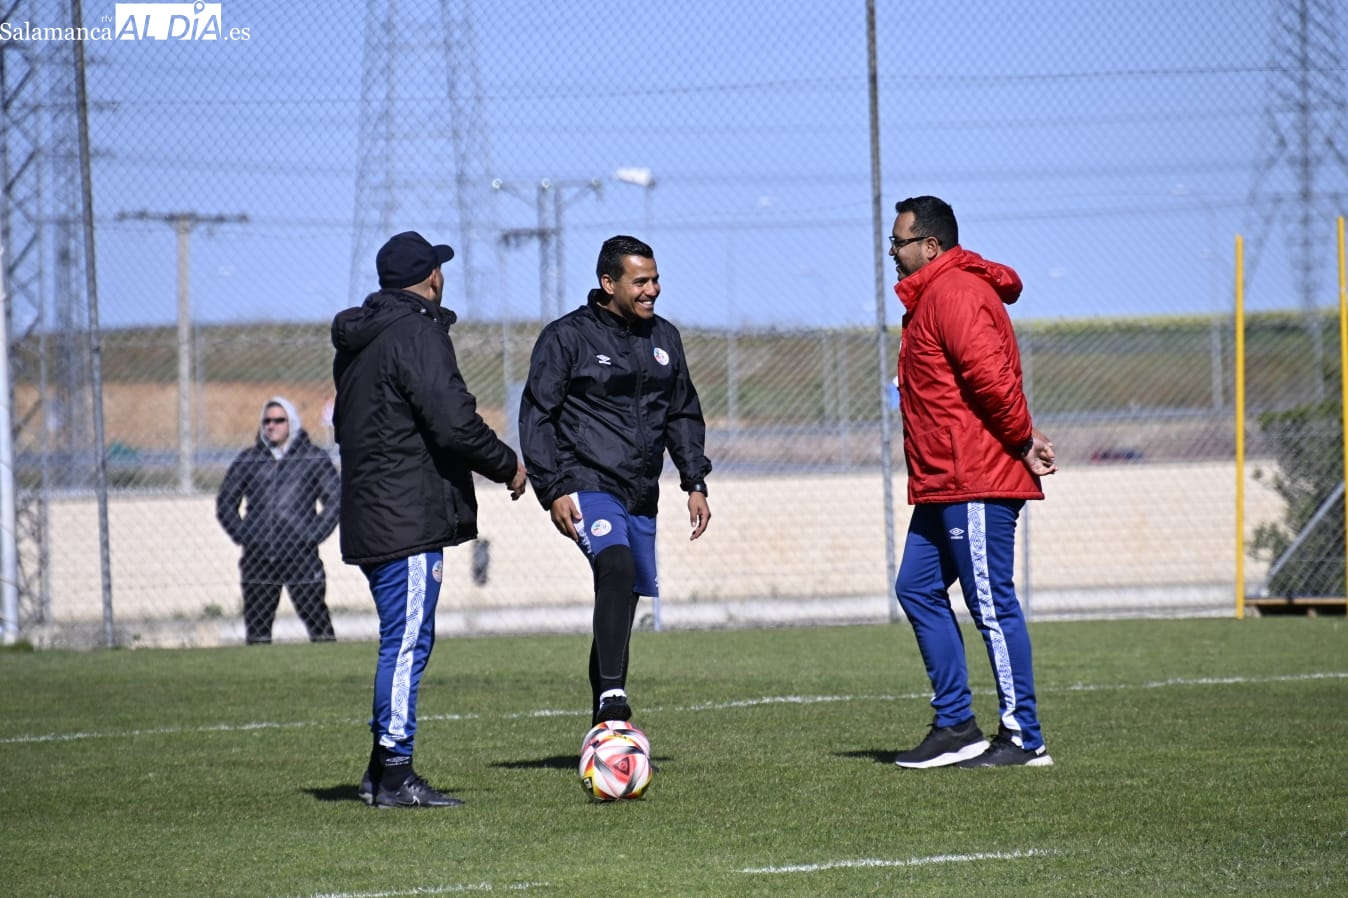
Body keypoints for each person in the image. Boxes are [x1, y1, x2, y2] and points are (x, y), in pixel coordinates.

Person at [332, 230, 528, 809]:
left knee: (403, 636)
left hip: (374, 509)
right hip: (406, 514)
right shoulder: (418, 332)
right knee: (408, 640)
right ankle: (395, 771)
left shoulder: (364, 339)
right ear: (432, 278)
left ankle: (377, 770)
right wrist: (508, 464)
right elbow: (453, 421)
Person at [888, 196, 1058, 769]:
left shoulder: (955, 292)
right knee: (915, 587)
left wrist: (1023, 442)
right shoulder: (931, 296)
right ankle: (957, 726)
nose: (892, 252)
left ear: (929, 245)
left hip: (976, 477)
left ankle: (1024, 738)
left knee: (990, 602)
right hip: (942, 480)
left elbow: (992, 381)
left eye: (899, 242)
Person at [519, 235, 712, 728]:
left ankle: (604, 727)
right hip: (586, 482)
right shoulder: (567, 338)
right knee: (617, 566)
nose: (653, 290)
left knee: (621, 602)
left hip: (640, 492)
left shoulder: (664, 338)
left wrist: (694, 481)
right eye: (640, 281)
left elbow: (682, 413)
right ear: (608, 283)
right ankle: (613, 698)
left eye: (655, 279)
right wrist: (554, 488)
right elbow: (538, 416)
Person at [215, 396, 340, 645]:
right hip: (259, 557)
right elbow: (226, 503)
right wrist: (245, 535)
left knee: (320, 628)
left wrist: (310, 536)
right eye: (267, 421)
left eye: (279, 420)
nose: (271, 426)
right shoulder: (249, 460)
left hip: (300, 556)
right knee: (258, 635)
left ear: (291, 423)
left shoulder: (313, 458)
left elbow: (335, 501)